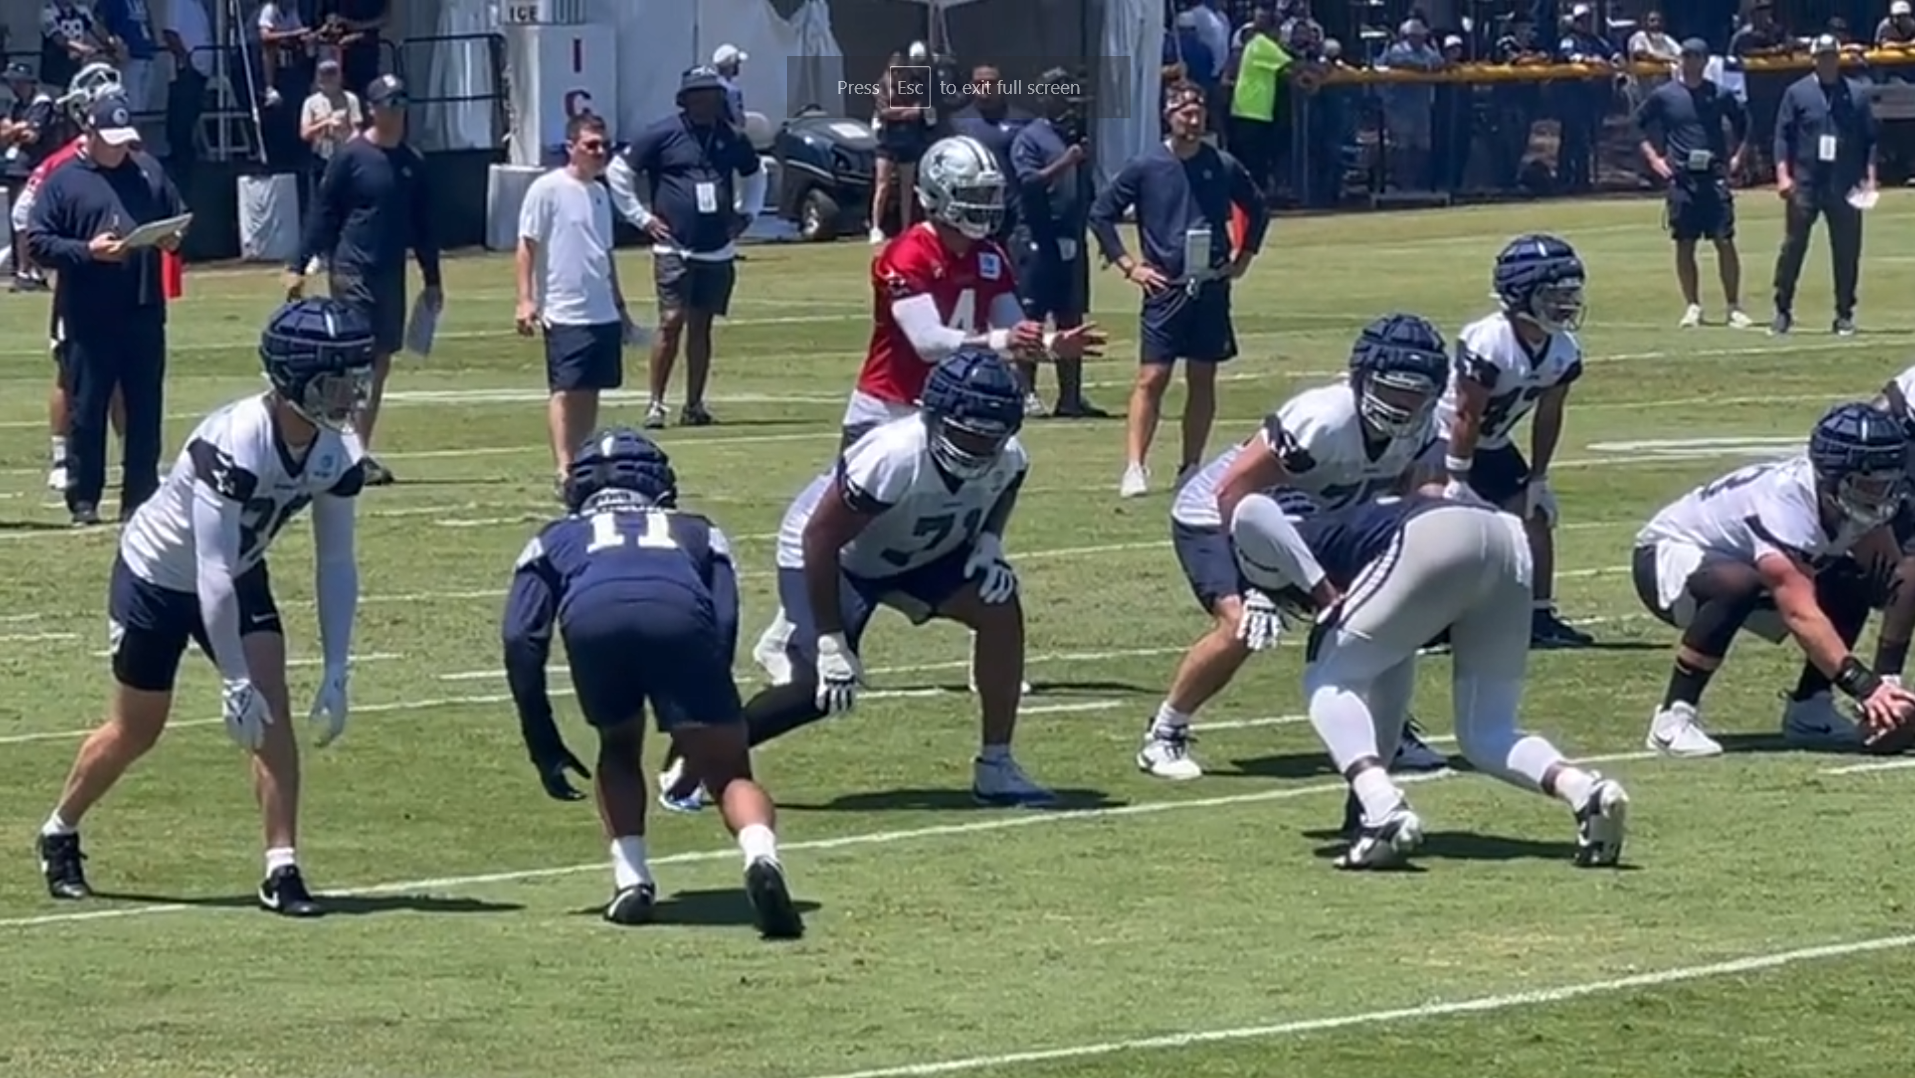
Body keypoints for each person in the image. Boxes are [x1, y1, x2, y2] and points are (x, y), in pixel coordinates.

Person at [35, 298, 374, 917]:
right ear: (294, 380)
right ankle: (60, 828)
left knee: (273, 717)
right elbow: (208, 566)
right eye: (336, 381)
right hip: (160, 577)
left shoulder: (335, 450)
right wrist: (234, 678)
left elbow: (336, 562)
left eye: (356, 377)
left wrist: (337, 665)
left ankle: (282, 868)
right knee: (137, 728)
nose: (351, 395)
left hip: (237, 574)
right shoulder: (238, 438)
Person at [747, 134, 1101, 696]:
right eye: (973, 193)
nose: (985, 203)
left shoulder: (990, 254)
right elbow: (930, 340)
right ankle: (797, 633)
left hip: (953, 415)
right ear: (940, 195)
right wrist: (1007, 339)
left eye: (989, 192)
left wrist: (1050, 344)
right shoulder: (909, 252)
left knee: (950, 525)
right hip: (888, 411)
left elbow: (1011, 331)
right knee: (852, 535)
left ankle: (986, 643)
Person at [661, 349, 1055, 811]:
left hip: (916, 550)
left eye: (990, 439)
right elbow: (820, 539)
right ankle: (695, 756)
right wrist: (831, 641)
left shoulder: (1007, 456)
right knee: (817, 691)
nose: (976, 451)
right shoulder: (893, 455)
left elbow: (1009, 479)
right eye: (966, 435)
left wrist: (990, 540)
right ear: (935, 416)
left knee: (999, 607)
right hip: (839, 556)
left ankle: (996, 765)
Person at [501, 429, 802, 937]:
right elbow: (723, 619)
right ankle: (759, 857)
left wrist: (541, 737)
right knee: (728, 771)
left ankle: (631, 880)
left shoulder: (552, 538)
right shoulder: (697, 530)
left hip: (592, 621)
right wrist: (698, 719)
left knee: (618, 746)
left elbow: (519, 636)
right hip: (680, 621)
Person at [1229, 491, 1631, 870]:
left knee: (1328, 678)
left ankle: (1386, 810)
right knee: (1486, 731)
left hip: (1433, 535)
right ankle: (1585, 792)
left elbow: (1251, 509)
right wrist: (1364, 797)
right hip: (1505, 538)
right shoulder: (1358, 543)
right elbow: (1389, 684)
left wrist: (1323, 595)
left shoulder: (1302, 532)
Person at [1142, 313, 1452, 781]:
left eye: (1415, 393)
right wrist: (1258, 582)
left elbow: (1416, 503)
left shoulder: (1425, 429)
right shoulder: (1324, 419)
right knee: (1241, 624)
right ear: (1362, 377)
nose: (1403, 404)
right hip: (1220, 514)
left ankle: (1388, 728)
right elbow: (1236, 492)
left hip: (1313, 521)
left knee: (1387, 609)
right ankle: (1164, 733)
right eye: (1392, 389)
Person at [1633, 403, 1915, 757]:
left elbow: (1891, 580)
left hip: (1745, 567)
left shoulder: (1844, 500)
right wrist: (1868, 687)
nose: (1883, 494)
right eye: (1871, 484)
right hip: (1664, 558)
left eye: (1889, 482)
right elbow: (1801, 614)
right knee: (1738, 584)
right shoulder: (1786, 503)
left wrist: (1891, 684)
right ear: (1833, 476)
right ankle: (1673, 718)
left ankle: (1811, 709)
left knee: (1849, 581)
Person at [1090, 80, 1268, 499]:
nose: (1193, 119)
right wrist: (1130, 266)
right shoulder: (1146, 165)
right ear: (1168, 116)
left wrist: (1243, 258)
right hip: (1164, 287)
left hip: (1209, 285)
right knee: (1152, 376)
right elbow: (1101, 213)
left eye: (1198, 112)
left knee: (1203, 376)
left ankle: (1191, 466)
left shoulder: (1220, 164)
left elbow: (1257, 207)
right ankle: (1135, 465)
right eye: (1185, 112)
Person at [27, 93, 185, 527]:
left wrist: (171, 237)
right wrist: (87, 251)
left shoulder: (148, 170)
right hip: (89, 312)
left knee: (144, 405)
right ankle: (84, 497)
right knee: (88, 407)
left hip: (143, 307)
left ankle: (140, 494)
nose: (119, 150)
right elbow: (39, 241)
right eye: (110, 140)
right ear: (90, 134)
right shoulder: (64, 181)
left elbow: (175, 213)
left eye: (124, 140)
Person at [1435, 234, 1593, 649]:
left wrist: (1538, 478)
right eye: (1553, 294)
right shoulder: (1490, 339)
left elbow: (1549, 414)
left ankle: (1539, 618)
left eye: (1570, 294)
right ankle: (1434, 621)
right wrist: (1457, 477)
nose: (1566, 304)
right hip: (1441, 440)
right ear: (1520, 294)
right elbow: (1466, 415)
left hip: (1493, 442)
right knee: (1447, 526)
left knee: (1534, 515)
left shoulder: (1563, 348)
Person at [289, 73, 443, 488]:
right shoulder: (351, 157)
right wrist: (299, 263)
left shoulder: (412, 162)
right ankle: (333, 450)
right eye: (388, 105)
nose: (395, 113)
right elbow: (324, 212)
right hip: (352, 269)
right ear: (372, 109)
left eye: (400, 105)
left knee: (379, 364)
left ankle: (356, 452)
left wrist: (432, 279)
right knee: (355, 361)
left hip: (390, 272)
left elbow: (424, 226)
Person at [607, 66, 765, 430]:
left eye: (713, 93)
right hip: (673, 246)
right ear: (687, 98)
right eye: (700, 93)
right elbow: (619, 171)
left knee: (702, 325)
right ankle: (656, 403)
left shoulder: (730, 137)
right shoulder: (663, 134)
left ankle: (694, 404)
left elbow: (756, 173)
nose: (707, 100)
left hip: (717, 248)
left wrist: (748, 213)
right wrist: (641, 218)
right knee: (671, 321)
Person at [22, 64, 124, 494]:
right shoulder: (61, 164)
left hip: (121, 286)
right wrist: (67, 253)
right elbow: (25, 214)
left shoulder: (125, 156)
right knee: (71, 373)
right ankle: (64, 458)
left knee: (123, 376)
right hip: (78, 285)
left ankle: (134, 457)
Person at [515, 113, 629, 487]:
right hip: (564, 309)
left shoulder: (599, 193)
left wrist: (619, 304)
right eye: (591, 145)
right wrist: (526, 299)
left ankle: (583, 460)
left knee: (591, 388)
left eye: (603, 145)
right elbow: (527, 245)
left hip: (600, 309)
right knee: (565, 389)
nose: (599, 152)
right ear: (571, 148)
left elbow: (604, 253)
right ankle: (564, 468)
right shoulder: (547, 189)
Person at [1634, 38, 1752, 329]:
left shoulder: (1719, 94)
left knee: (1724, 240)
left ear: (1705, 60)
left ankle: (1734, 307)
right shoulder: (1665, 96)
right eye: (1686, 55)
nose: (1691, 60)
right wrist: (1655, 159)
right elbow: (1636, 124)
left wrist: (1738, 157)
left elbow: (1746, 125)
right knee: (1685, 243)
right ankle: (1693, 305)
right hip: (1682, 179)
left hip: (1714, 177)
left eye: (1697, 55)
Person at [1010, 69, 1107, 419]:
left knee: (1071, 316)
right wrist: (1066, 161)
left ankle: (1071, 397)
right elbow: (1028, 183)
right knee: (1032, 317)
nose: (1068, 102)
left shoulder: (1073, 137)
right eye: (1061, 94)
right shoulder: (1031, 138)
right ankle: (1026, 392)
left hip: (1071, 239)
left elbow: (1086, 191)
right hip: (1037, 239)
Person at [1770, 34, 1877, 337]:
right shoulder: (1797, 93)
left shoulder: (1856, 94)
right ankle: (1782, 308)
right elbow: (1782, 136)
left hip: (1844, 185)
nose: (1828, 61)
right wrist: (1783, 175)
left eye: (1832, 56)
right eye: (1822, 56)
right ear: (1814, 59)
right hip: (1806, 182)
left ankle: (1844, 313)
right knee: (1793, 247)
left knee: (1846, 251)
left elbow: (1870, 140)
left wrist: (1869, 177)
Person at [870, 46, 936, 244]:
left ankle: (906, 228)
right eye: (894, 71)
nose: (898, 74)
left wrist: (901, 112)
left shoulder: (914, 85)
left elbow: (919, 111)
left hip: (908, 140)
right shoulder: (882, 86)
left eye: (901, 70)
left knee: (907, 187)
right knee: (882, 185)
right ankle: (875, 227)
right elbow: (884, 112)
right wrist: (904, 113)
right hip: (888, 141)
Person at [4, 61, 58, 292]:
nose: (13, 85)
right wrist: (17, 129)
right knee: (19, 218)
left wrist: (13, 131)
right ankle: (27, 271)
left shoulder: (42, 103)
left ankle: (30, 271)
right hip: (14, 167)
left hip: (36, 168)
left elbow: (32, 136)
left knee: (25, 216)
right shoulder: (17, 106)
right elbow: (4, 132)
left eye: (17, 81)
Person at [298, 58, 360, 206]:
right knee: (322, 200)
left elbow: (357, 129)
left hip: (345, 157)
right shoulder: (311, 102)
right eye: (324, 74)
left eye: (332, 74)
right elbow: (304, 134)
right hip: (321, 158)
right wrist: (325, 123)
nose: (328, 78)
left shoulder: (351, 99)